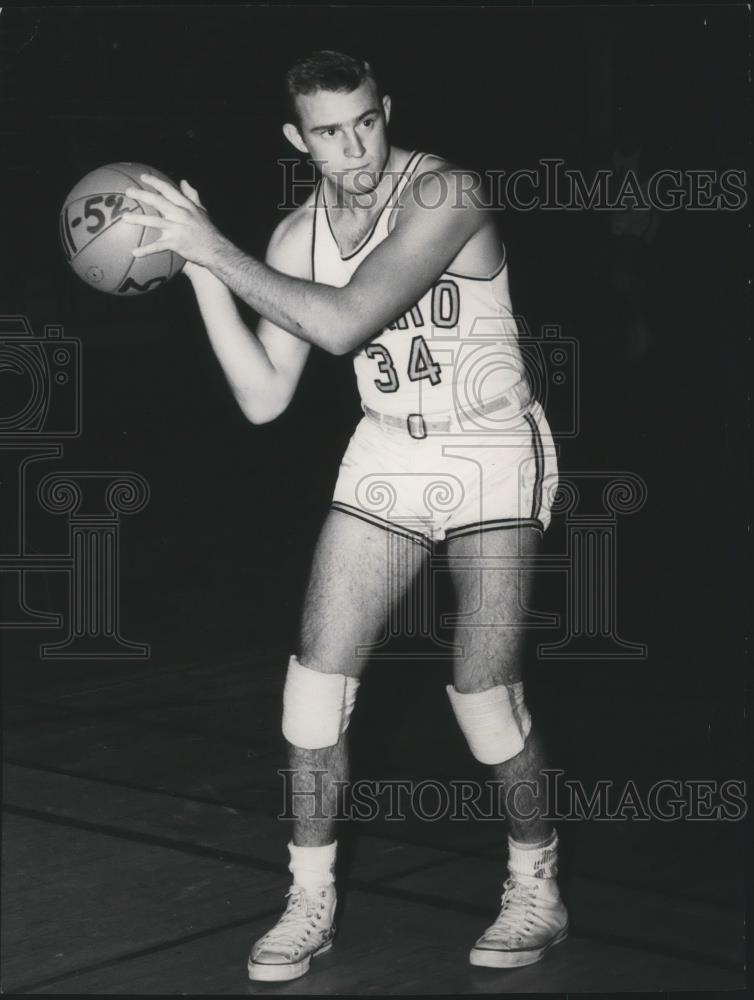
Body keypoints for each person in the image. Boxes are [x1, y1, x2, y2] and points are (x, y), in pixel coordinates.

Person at [121, 49, 568, 982]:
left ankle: (538, 884)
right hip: (388, 449)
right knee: (312, 690)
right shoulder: (292, 239)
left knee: (484, 698)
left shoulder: (446, 193)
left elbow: (343, 323)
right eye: (329, 130)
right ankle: (308, 899)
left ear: (386, 109)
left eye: (366, 119)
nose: (354, 143)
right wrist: (201, 271)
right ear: (298, 139)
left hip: (489, 445)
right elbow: (263, 398)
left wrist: (213, 249)